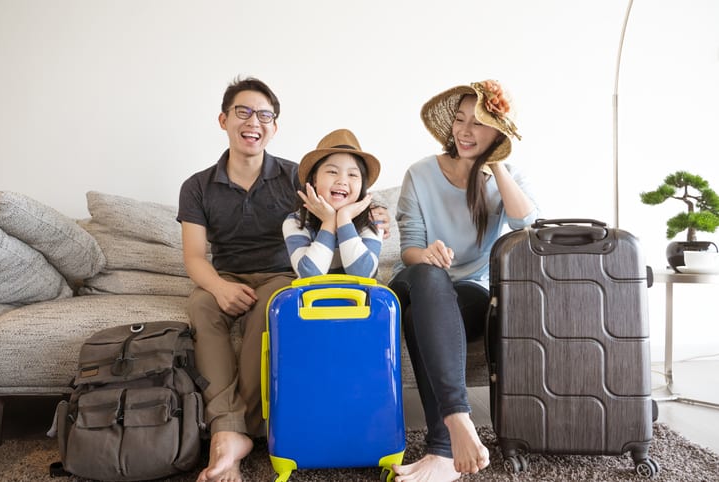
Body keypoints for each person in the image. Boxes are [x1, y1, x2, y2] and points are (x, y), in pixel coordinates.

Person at [177, 77, 391, 482]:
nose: (253, 122)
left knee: (273, 307)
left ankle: (238, 431)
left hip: (282, 274)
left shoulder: (296, 177)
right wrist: (220, 287)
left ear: (274, 127)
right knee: (200, 305)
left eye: (264, 115)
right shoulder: (197, 186)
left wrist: (375, 214)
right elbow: (194, 257)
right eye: (243, 112)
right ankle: (227, 430)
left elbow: (341, 196)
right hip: (226, 274)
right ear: (223, 119)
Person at [388, 79, 539, 482]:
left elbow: (527, 225)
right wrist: (427, 255)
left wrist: (497, 165)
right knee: (428, 277)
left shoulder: (502, 178)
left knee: (426, 317)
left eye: (480, 123)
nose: (465, 131)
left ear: (498, 133)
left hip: (467, 293)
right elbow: (409, 248)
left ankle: (441, 450)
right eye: (460, 120)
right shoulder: (420, 173)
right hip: (413, 282)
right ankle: (457, 418)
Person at [283, 128, 383, 278]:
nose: (342, 181)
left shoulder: (373, 219)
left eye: (352, 174)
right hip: (314, 293)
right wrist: (329, 222)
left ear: (362, 184)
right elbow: (310, 275)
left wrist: (344, 218)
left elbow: (363, 274)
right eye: (332, 172)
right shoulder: (296, 221)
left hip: (361, 293)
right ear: (315, 179)